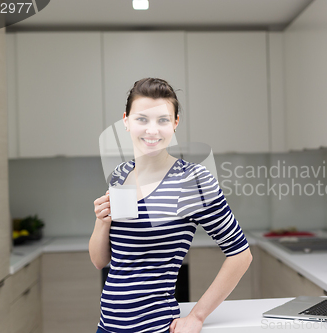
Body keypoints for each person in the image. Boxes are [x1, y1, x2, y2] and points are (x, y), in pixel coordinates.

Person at [89, 78, 252, 333]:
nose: (152, 130)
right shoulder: (120, 174)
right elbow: (101, 261)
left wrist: (198, 315)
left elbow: (241, 254)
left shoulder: (193, 180)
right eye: (142, 119)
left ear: (175, 123)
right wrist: (102, 222)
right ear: (126, 121)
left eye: (163, 120)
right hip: (106, 327)